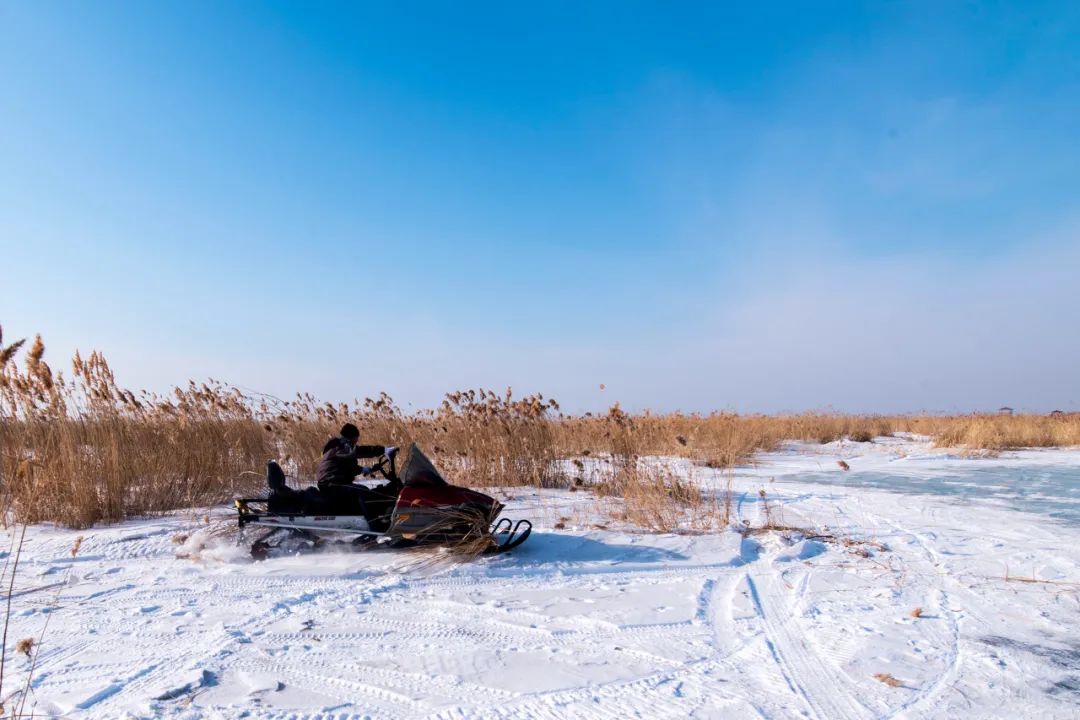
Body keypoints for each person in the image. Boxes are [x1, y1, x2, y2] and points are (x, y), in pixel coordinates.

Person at [315, 423, 400, 527]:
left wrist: (365, 469)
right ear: (351, 437)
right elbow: (358, 451)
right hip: (331, 485)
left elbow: (346, 467)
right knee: (362, 491)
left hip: (333, 483)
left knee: (363, 491)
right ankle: (374, 525)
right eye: (356, 439)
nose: (357, 442)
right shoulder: (340, 446)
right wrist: (383, 450)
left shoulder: (341, 447)